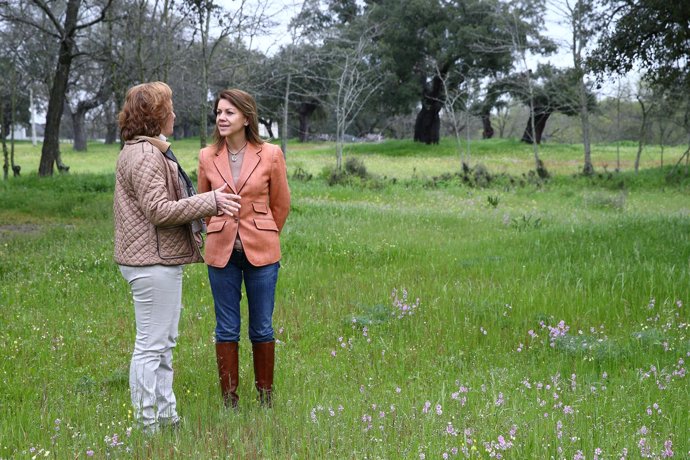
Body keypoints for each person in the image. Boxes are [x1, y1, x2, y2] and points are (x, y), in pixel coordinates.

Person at [114, 81, 240, 432]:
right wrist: (211, 201)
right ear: (155, 115)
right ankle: (146, 424)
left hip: (157, 259)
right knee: (151, 346)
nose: (174, 113)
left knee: (163, 343)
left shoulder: (149, 151)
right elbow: (158, 210)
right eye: (168, 108)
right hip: (150, 262)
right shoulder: (144, 155)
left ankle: (166, 417)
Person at [197, 89, 290, 408]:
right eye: (219, 112)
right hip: (220, 252)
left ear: (246, 118)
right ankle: (230, 401)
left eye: (229, 113)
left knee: (262, 325)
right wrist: (220, 229)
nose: (221, 118)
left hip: (262, 252)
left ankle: (266, 399)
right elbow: (203, 204)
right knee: (226, 327)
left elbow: (281, 204)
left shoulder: (271, 153)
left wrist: (264, 232)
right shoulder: (207, 156)